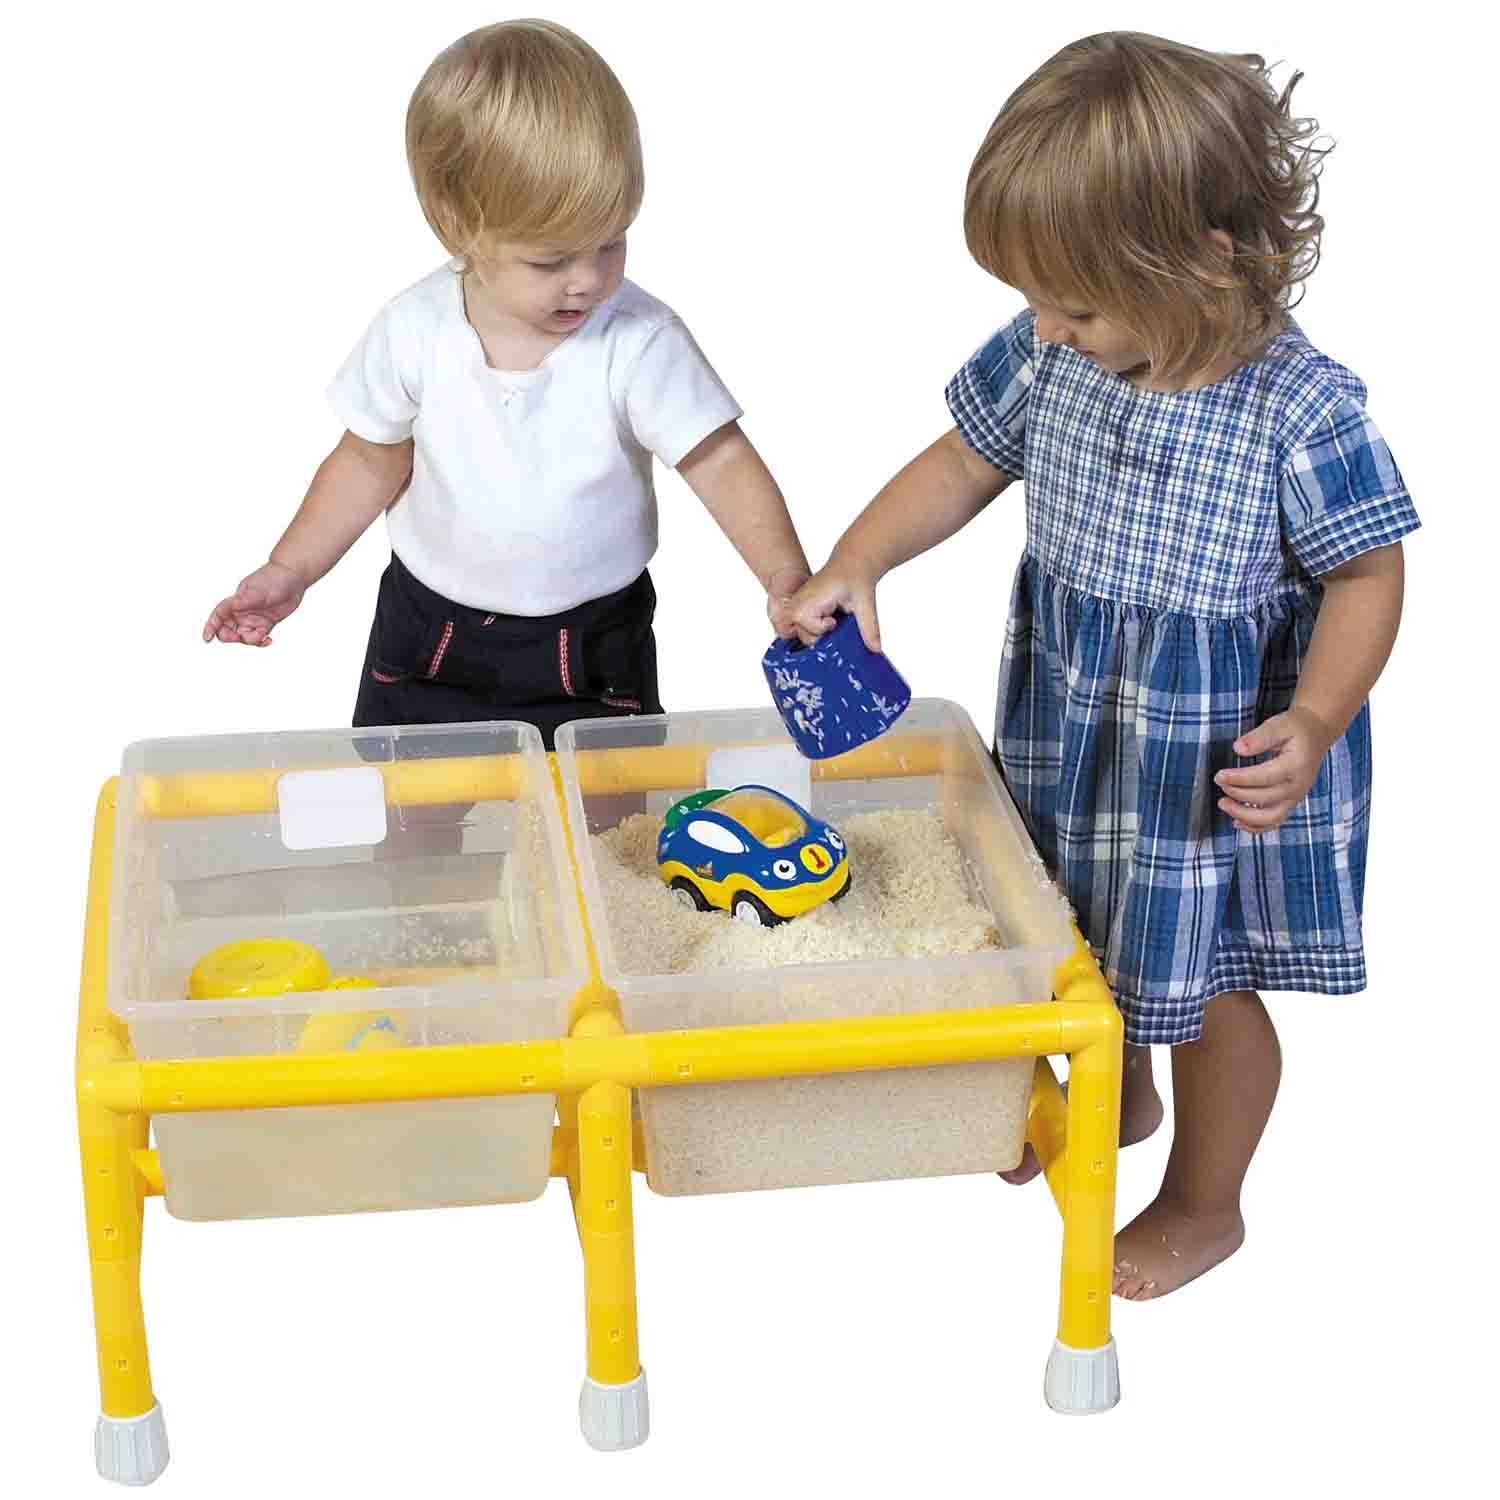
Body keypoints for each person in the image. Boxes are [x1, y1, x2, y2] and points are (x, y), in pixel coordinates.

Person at [786, 32, 1418, 1300]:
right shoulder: (1054, 354)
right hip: (1074, 716)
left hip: (1210, 762)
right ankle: (1109, 1089)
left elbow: (1368, 574)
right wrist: (859, 559)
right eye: (1036, 297)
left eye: (1075, 305)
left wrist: (1315, 717)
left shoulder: (1298, 409)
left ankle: (1205, 1200)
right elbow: (964, 460)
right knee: (1064, 916)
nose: (1046, 326)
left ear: (1208, 263)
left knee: (1207, 983)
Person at [204, 19, 809, 754]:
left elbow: (720, 461)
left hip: (592, 638)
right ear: (459, 225)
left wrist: (785, 577)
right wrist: (291, 568)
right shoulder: (414, 330)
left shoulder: (639, 339)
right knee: (405, 800)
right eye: (551, 260)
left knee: (608, 806)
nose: (588, 280)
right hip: (430, 629)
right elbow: (367, 461)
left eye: (610, 241)